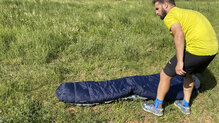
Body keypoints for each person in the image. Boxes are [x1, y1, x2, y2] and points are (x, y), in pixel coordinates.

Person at [142, 0, 218, 116]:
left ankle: (157, 107)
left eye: (157, 9)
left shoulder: (170, 16)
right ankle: (185, 105)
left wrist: (180, 62)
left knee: (165, 74)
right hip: (212, 51)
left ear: (165, 5)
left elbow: (179, 34)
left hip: (198, 50)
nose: (156, 12)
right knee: (187, 73)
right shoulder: (190, 13)